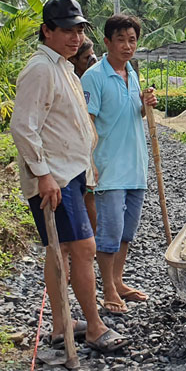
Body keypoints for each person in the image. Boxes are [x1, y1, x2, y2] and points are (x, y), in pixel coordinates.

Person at [10, 0, 130, 353]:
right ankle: (93, 326)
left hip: (71, 172)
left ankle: (62, 325)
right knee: (83, 247)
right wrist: (44, 175)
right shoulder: (40, 69)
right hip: (55, 177)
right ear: (47, 31)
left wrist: (86, 164)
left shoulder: (62, 66)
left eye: (78, 30)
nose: (75, 37)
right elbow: (23, 127)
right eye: (66, 30)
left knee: (60, 249)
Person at [81, 14, 156, 314]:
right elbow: (87, 122)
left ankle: (118, 280)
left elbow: (132, 114)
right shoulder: (94, 77)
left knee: (126, 231)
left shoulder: (132, 74)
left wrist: (144, 104)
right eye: (121, 39)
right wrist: (89, 161)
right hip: (109, 169)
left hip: (135, 166)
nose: (127, 46)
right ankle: (108, 289)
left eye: (132, 40)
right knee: (109, 233)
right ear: (107, 41)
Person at [68, 38, 99, 232]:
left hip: (92, 147)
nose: (92, 60)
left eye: (93, 55)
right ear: (74, 60)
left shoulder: (91, 79)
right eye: (87, 57)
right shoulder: (71, 80)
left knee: (90, 195)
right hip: (75, 148)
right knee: (86, 196)